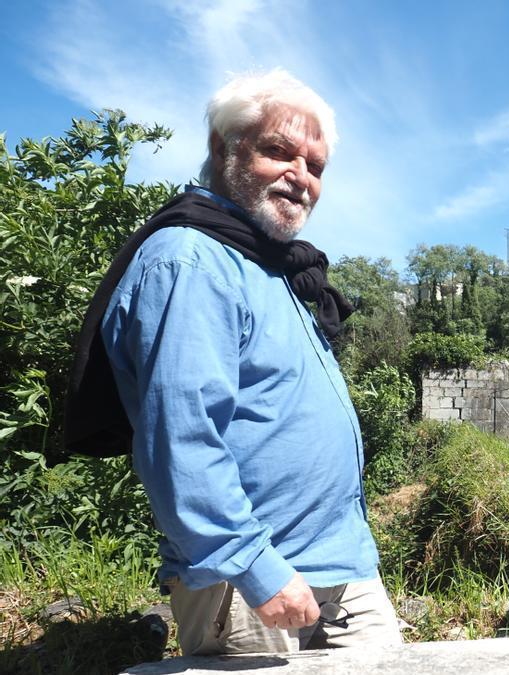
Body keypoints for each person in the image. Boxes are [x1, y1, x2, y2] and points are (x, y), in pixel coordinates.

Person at [64, 69, 400, 655]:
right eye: (279, 151)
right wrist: (258, 569)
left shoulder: (270, 266)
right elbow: (182, 439)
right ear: (225, 149)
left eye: (315, 166)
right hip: (248, 580)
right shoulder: (193, 261)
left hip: (339, 563)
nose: (300, 178)